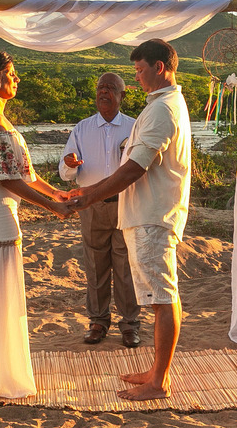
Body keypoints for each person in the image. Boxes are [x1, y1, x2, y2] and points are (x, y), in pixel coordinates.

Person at [71, 39, 190, 401]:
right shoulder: (163, 105)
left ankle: (160, 381)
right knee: (161, 295)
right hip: (149, 213)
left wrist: (88, 195)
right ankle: (157, 371)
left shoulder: (161, 110)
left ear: (160, 67)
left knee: (162, 298)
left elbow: (135, 168)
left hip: (153, 216)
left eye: (140, 70)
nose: (137, 78)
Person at [0, 51, 73, 398]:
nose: (17, 79)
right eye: (11, 73)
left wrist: (58, 193)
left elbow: (25, 174)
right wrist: (52, 207)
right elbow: (6, 179)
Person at [59, 72, 142, 348]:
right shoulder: (81, 129)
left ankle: (130, 325)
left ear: (122, 95)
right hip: (91, 206)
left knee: (125, 267)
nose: (104, 92)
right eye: (100, 88)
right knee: (95, 266)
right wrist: (70, 163)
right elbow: (65, 175)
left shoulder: (134, 127)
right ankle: (97, 322)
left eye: (110, 88)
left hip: (126, 205)